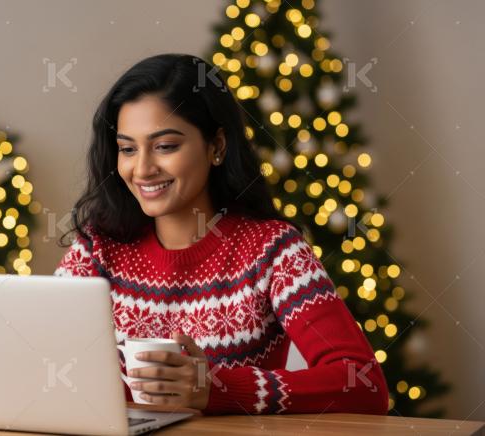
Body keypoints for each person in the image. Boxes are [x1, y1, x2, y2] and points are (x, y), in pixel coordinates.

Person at [54, 53, 388, 415]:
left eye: (166, 146)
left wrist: (218, 389)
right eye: (128, 149)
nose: (143, 169)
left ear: (217, 146)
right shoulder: (96, 249)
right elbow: (42, 357)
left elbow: (363, 383)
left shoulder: (273, 251)